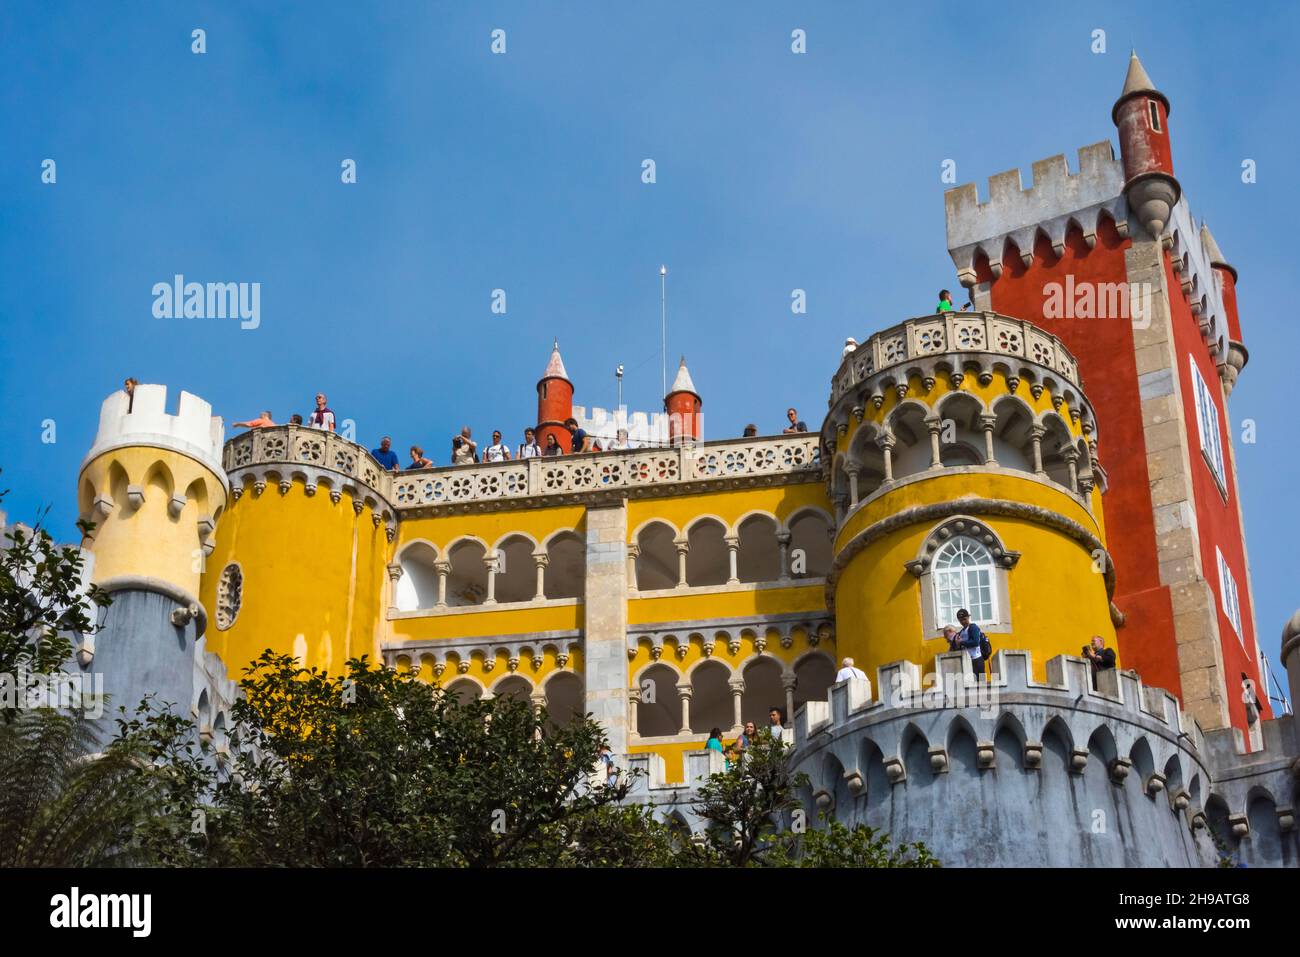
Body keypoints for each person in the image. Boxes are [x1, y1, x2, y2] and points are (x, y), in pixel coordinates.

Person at [954, 609, 987, 680]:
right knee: (970, 686)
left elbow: (975, 642)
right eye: (960, 620)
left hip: (977, 660)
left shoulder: (973, 628)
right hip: (968, 661)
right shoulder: (962, 632)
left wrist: (961, 642)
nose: (963, 622)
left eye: (964, 619)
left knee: (981, 685)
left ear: (968, 617)